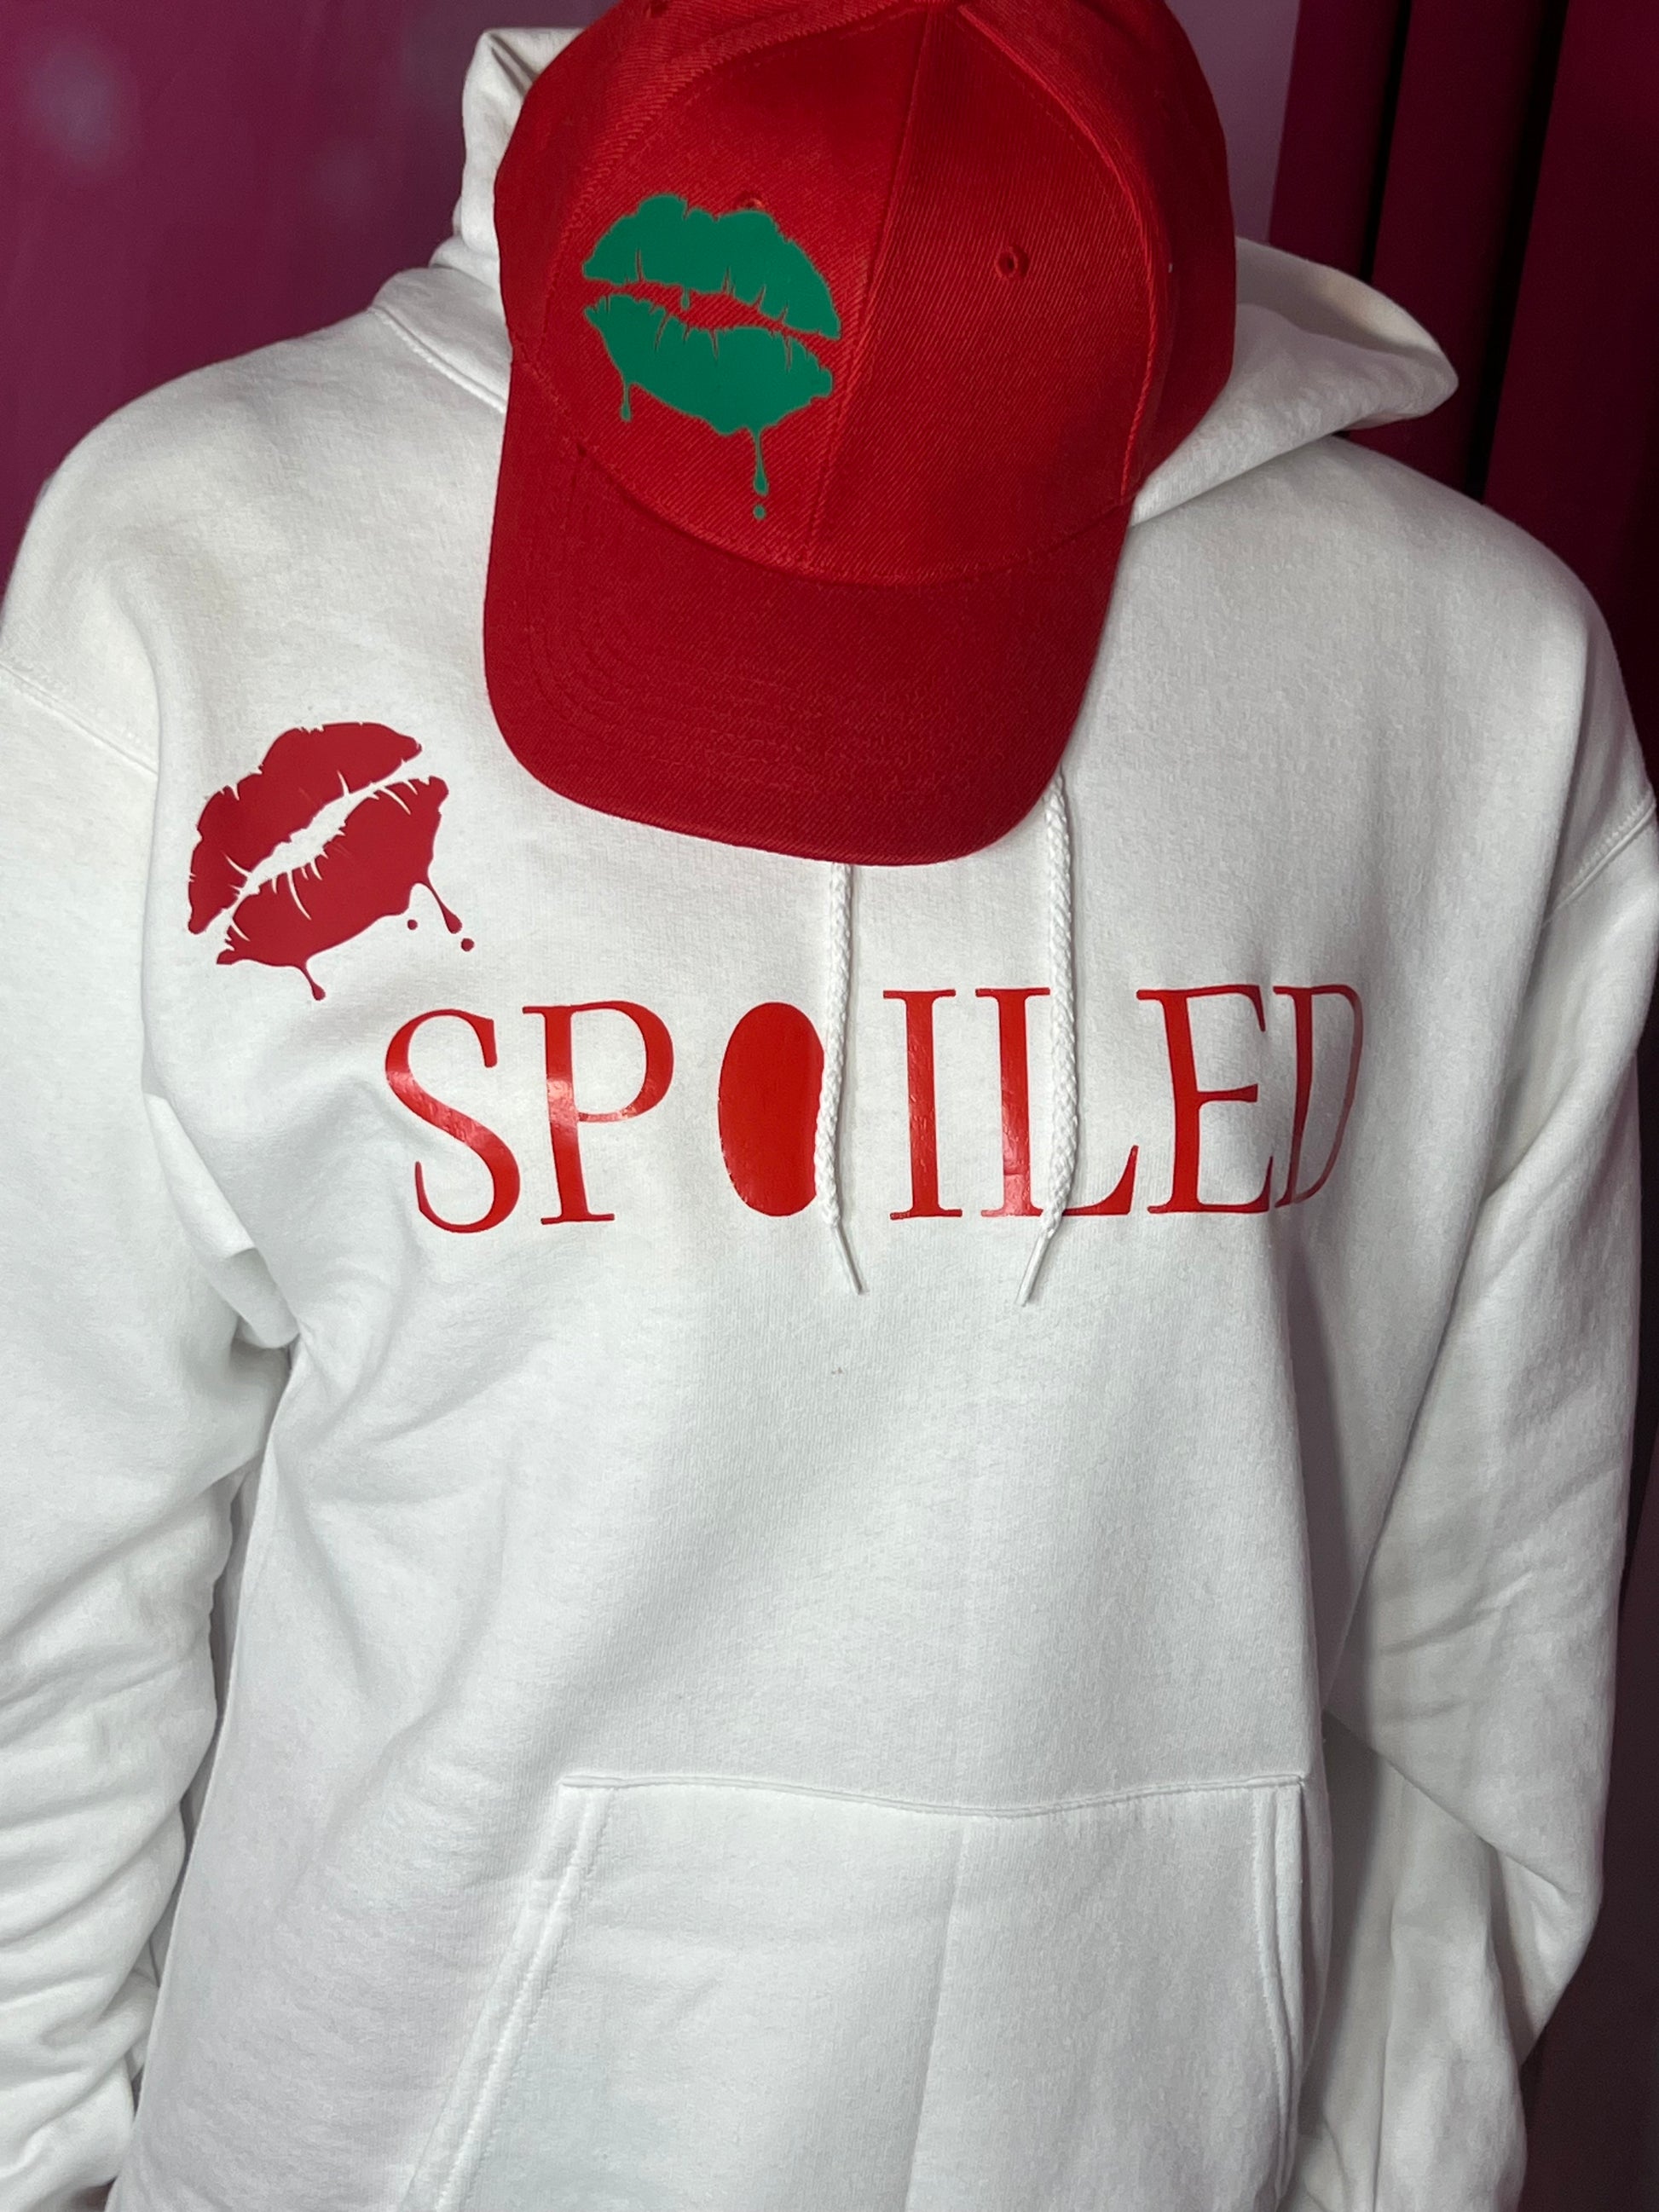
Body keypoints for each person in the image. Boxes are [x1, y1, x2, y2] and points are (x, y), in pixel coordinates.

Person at [3, 3, 1655, 2207]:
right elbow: (56, 1514)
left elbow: (1483, 1618)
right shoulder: (199, 570)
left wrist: (1390, 2168)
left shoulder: (1473, 682)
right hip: (363, 2131)